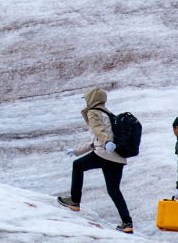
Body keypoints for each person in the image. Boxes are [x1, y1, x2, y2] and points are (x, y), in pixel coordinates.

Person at [57, 88, 134, 233]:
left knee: (77, 166)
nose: (86, 102)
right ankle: (127, 223)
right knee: (114, 190)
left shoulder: (93, 112)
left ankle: (74, 201)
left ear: (92, 99)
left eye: (87, 99)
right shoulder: (109, 114)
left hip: (104, 154)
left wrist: (105, 142)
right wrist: (76, 151)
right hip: (118, 158)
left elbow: (99, 131)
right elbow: (95, 139)